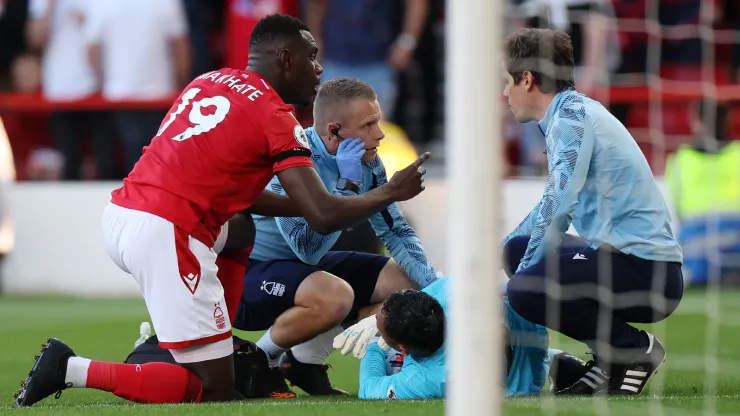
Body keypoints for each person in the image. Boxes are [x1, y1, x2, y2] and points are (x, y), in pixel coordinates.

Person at [15, 14, 429, 407]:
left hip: (126, 211)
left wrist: (308, 203)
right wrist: (390, 191)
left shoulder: (208, 81)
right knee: (213, 388)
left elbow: (234, 192)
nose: (319, 69)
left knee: (241, 230)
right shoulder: (275, 116)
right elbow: (320, 217)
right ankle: (72, 368)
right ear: (286, 60)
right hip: (169, 231)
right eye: (312, 57)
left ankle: (217, 334)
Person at [500, 28, 683, 395]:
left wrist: (510, 285)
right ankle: (607, 357)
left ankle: (630, 349)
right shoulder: (568, 113)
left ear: (527, 78)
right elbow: (549, 205)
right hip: (622, 261)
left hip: (646, 272)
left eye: (507, 81)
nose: (504, 93)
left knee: (524, 289)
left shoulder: (571, 120)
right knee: (516, 249)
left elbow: (559, 206)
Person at [235, 77, 440, 397]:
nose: (380, 133)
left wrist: (436, 289)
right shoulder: (291, 157)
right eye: (369, 124)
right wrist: (346, 184)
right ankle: (255, 360)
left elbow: (395, 229)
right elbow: (305, 248)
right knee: (336, 295)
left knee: (406, 284)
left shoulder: (369, 164)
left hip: (301, 270)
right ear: (334, 131)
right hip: (248, 277)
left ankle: (303, 361)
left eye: (378, 121)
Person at [333, 277, 588, 399]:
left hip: (519, 387)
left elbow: (368, 388)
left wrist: (372, 349)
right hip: (532, 341)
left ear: (404, 347)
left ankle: (552, 361)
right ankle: (555, 358)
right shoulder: (449, 294)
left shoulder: (422, 380)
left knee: (390, 362)